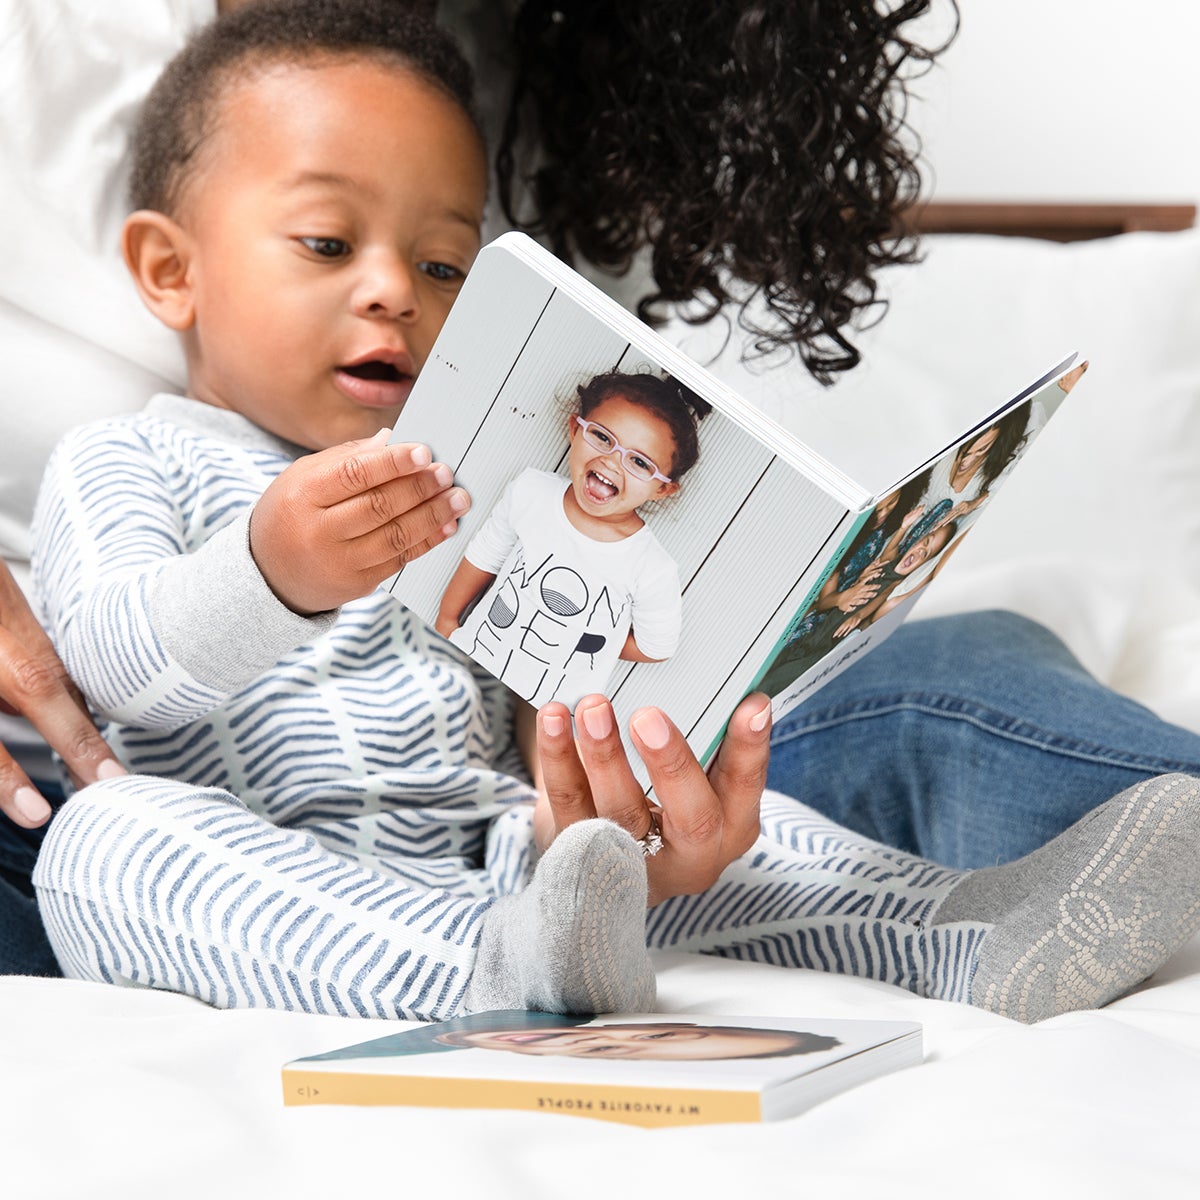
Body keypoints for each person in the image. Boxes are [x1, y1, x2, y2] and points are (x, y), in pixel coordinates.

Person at [6, 0, 1200, 1015]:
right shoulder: (125, 456)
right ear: (171, 270)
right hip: (265, 865)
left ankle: (977, 936)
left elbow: (511, 673)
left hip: (498, 849)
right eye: (327, 243)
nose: (392, 294)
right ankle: (496, 975)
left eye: (443, 265)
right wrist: (269, 569)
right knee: (106, 842)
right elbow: (109, 662)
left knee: (740, 838)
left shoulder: (467, 465)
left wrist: (597, 771)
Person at [436, 371, 707, 706]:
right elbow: (486, 554)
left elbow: (657, 647)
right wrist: (448, 619)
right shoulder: (532, 491)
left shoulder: (651, 566)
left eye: (639, 462)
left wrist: (581, 637)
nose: (612, 461)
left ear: (662, 488)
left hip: (544, 717)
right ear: (575, 429)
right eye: (603, 438)